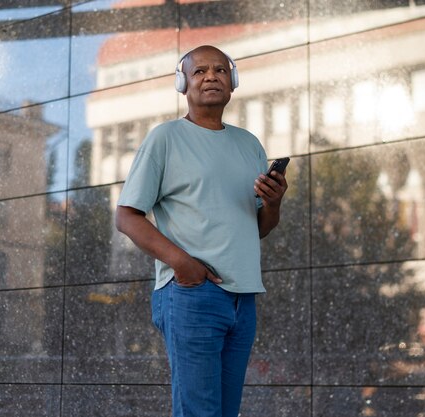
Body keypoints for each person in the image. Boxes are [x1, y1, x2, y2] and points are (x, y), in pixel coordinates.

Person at [115, 45, 287, 417]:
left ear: (233, 81)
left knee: (225, 412)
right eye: (199, 71)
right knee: (198, 412)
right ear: (183, 83)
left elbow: (258, 227)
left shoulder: (250, 144)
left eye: (221, 71)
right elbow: (127, 216)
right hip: (192, 295)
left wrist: (273, 203)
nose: (211, 77)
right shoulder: (165, 138)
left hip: (244, 298)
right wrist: (183, 264)